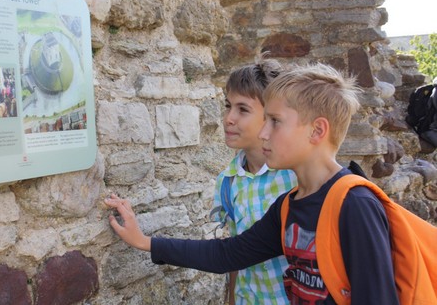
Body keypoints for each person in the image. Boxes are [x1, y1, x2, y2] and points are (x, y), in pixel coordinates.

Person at [105, 63, 399, 304]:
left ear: (316, 130)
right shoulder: (289, 205)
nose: (263, 133)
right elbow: (229, 254)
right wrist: (145, 242)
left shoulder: (355, 204)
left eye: (275, 121)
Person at [212, 61, 297, 304]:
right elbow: (235, 256)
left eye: (243, 109)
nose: (229, 118)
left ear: (271, 116)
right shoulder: (227, 182)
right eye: (228, 106)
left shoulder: (295, 177)